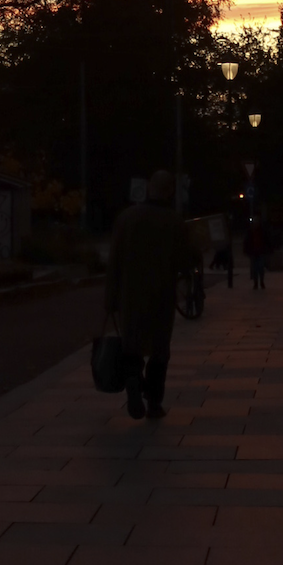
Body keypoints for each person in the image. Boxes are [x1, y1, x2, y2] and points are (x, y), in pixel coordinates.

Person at [105, 169, 192, 420]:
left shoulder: (126, 218)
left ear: (149, 188)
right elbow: (185, 260)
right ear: (170, 191)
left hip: (130, 296)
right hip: (161, 296)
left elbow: (114, 262)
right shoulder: (174, 222)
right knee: (159, 350)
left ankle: (133, 383)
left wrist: (110, 299)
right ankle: (154, 401)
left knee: (131, 345)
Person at [244, 213, 267, 289]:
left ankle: (261, 281)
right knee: (255, 268)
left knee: (260, 268)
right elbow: (247, 242)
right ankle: (256, 283)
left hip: (260, 251)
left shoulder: (262, 230)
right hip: (254, 252)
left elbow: (266, 241)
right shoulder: (250, 231)